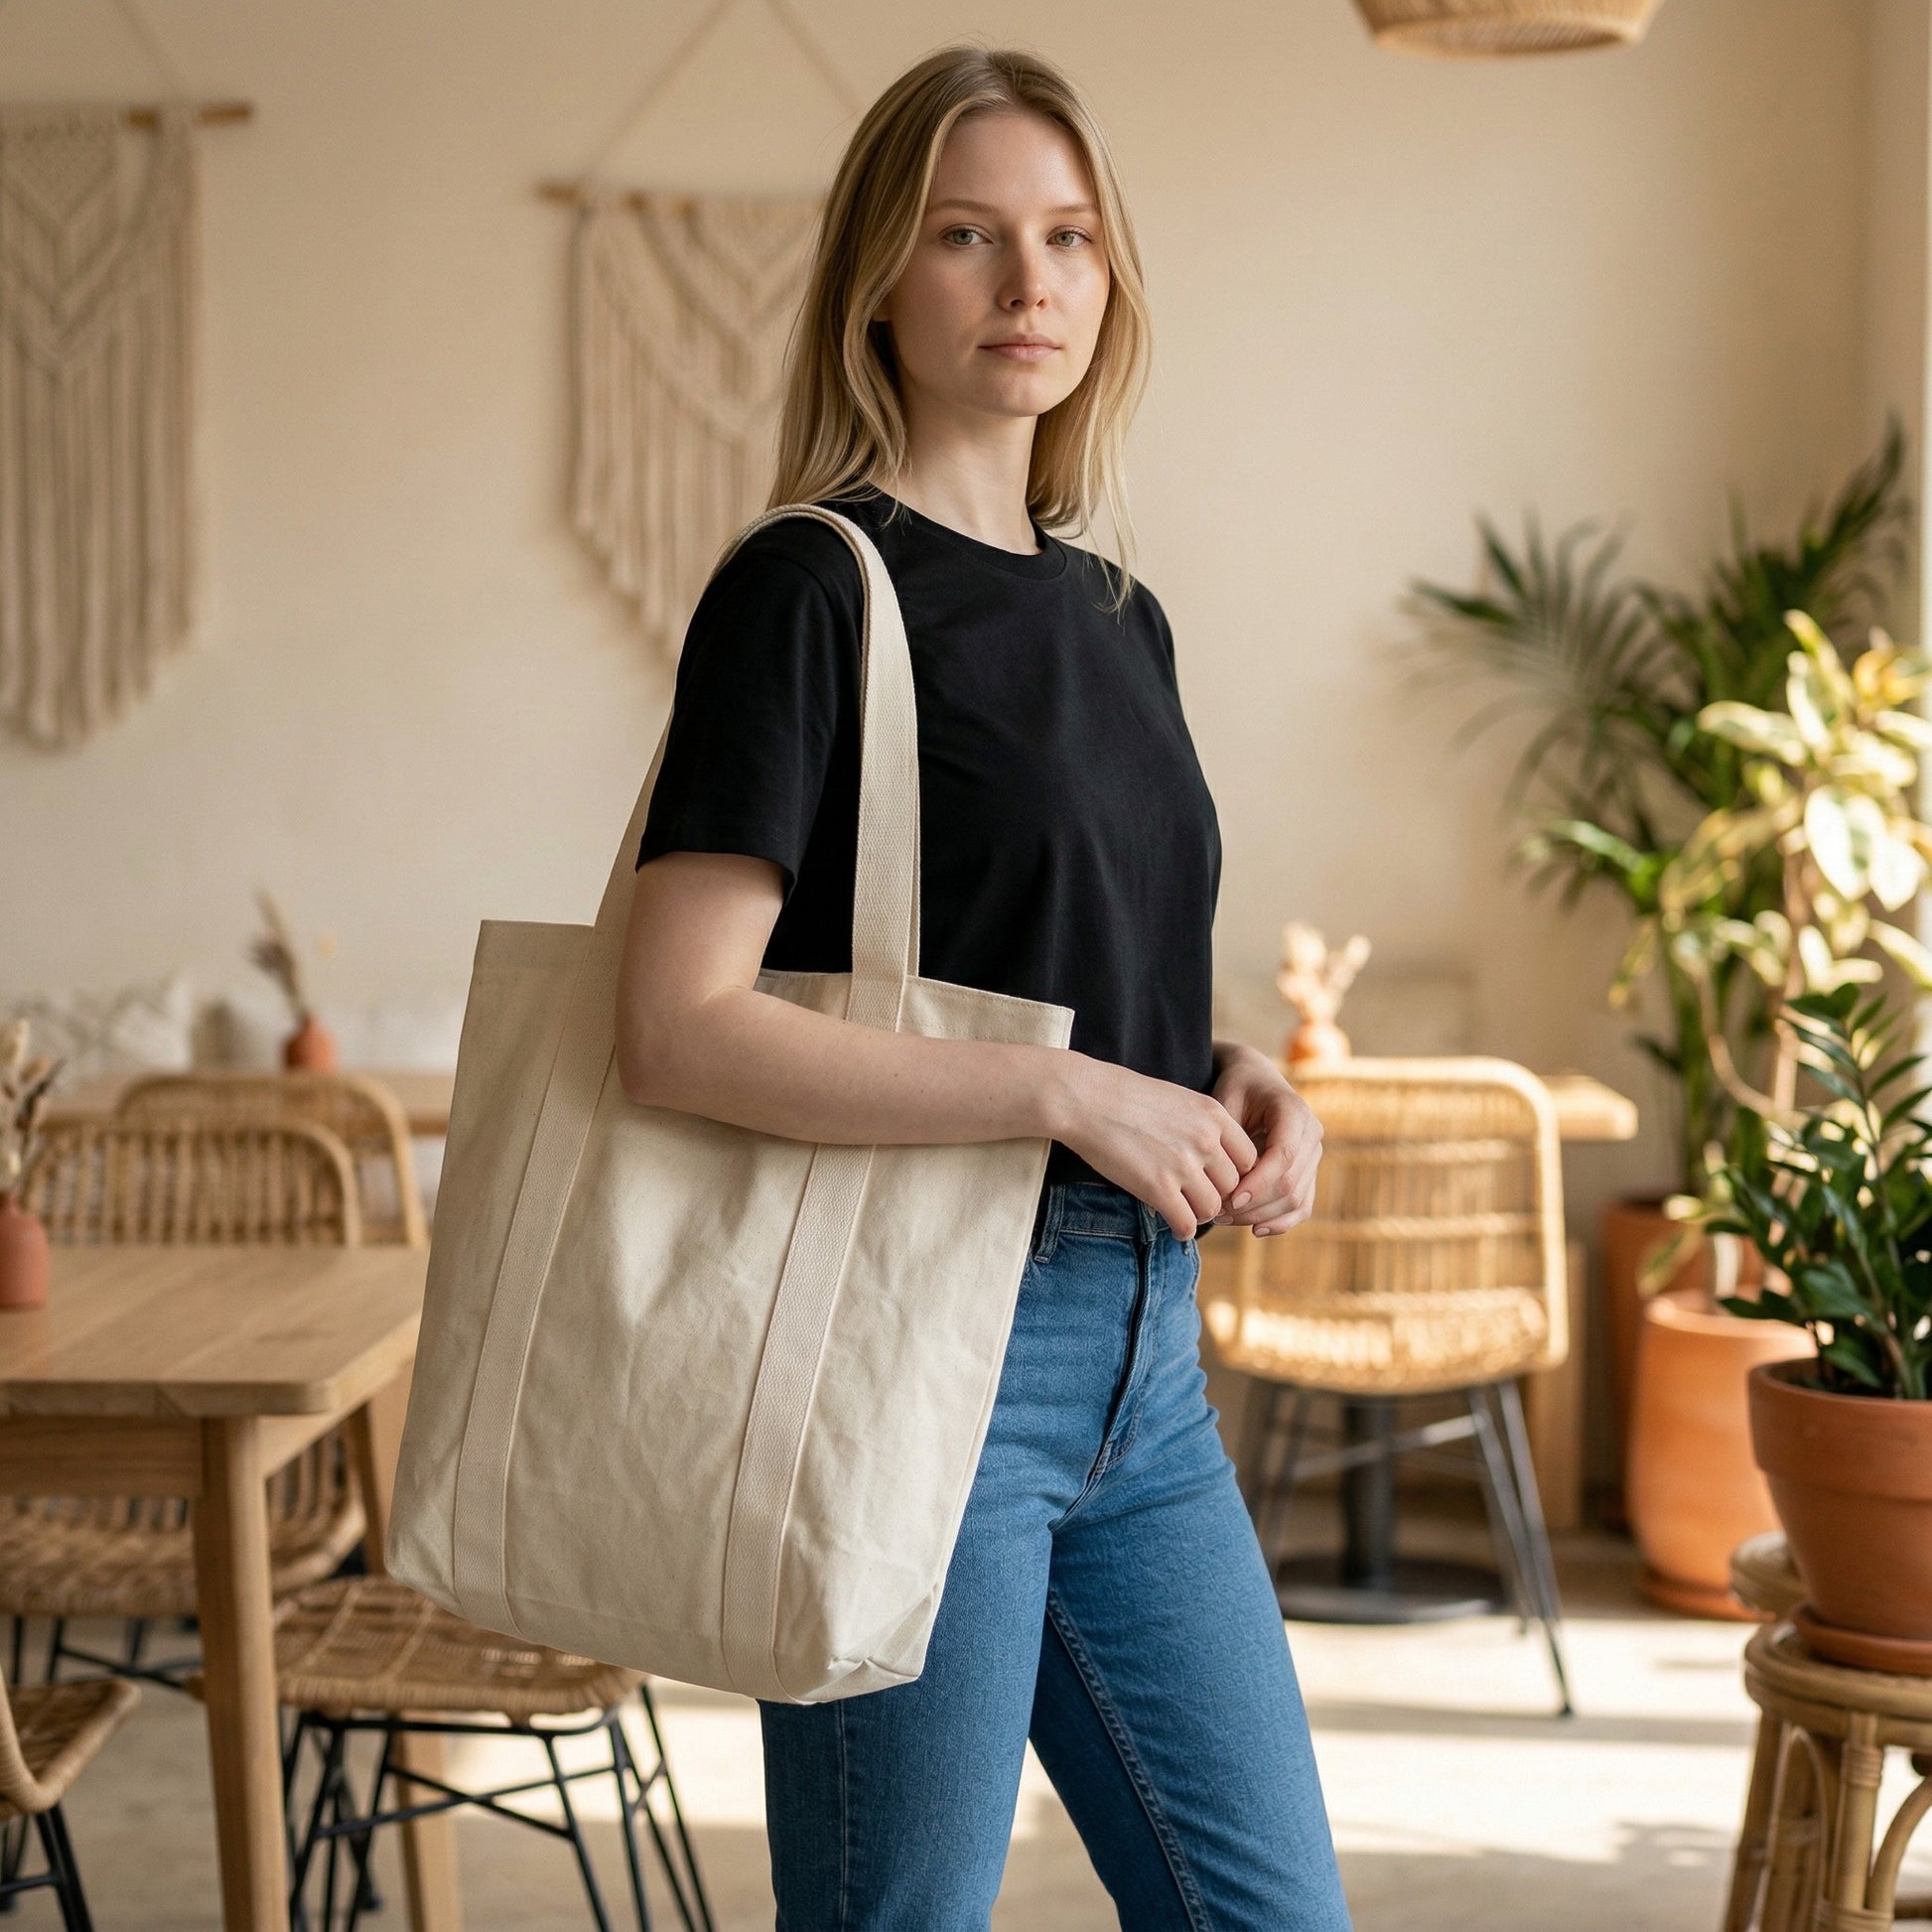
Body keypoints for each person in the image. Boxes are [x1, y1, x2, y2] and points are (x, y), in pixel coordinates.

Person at [615, 42, 1353, 1932]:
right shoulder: (805, 588)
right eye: (966, 235)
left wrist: (1226, 1074)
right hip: (912, 1357)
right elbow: (677, 1020)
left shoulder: (1120, 614)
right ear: (880, 275)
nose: (1029, 283)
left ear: (1110, 284)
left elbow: (1061, 969)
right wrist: (1064, 1096)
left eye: (1067, 237)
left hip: (1145, 1359)